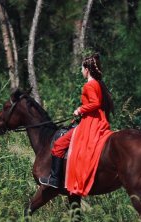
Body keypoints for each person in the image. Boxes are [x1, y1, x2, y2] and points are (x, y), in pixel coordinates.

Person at [39, 53, 114, 196]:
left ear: (87, 69)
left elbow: (95, 103)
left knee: (59, 145)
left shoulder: (89, 85)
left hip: (90, 123)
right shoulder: (99, 84)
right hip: (96, 120)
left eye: (82, 68)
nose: (81, 71)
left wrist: (80, 109)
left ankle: (54, 179)